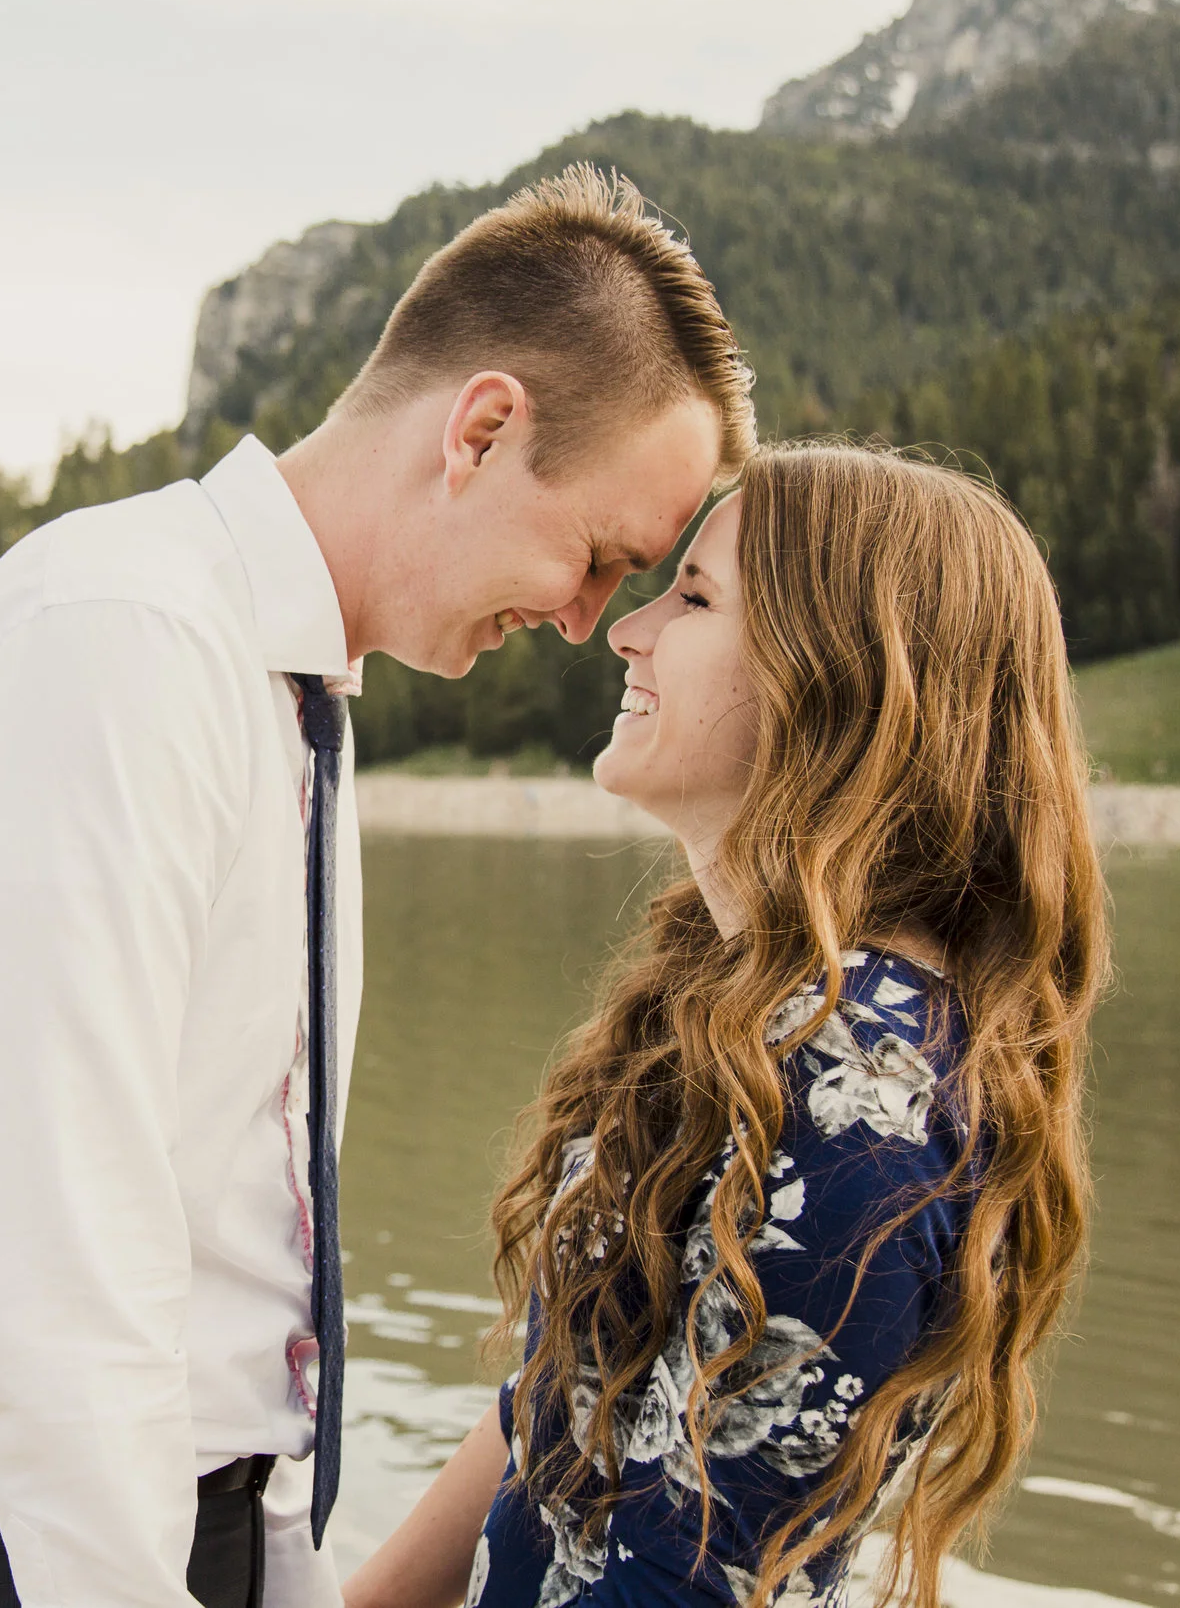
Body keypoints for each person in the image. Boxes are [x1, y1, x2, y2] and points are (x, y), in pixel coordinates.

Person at [0, 165, 757, 1608]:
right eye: (597, 556)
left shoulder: (285, 685)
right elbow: (56, 1268)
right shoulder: (122, 645)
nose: (585, 619)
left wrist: (279, 1557)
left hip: (158, 1525)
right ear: (481, 429)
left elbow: (245, 1235)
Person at [343, 444, 1110, 1608]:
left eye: (694, 599)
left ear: (838, 678)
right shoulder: (744, 1003)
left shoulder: (857, 1101)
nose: (625, 631)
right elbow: (556, 1404)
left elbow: (687, 1580)